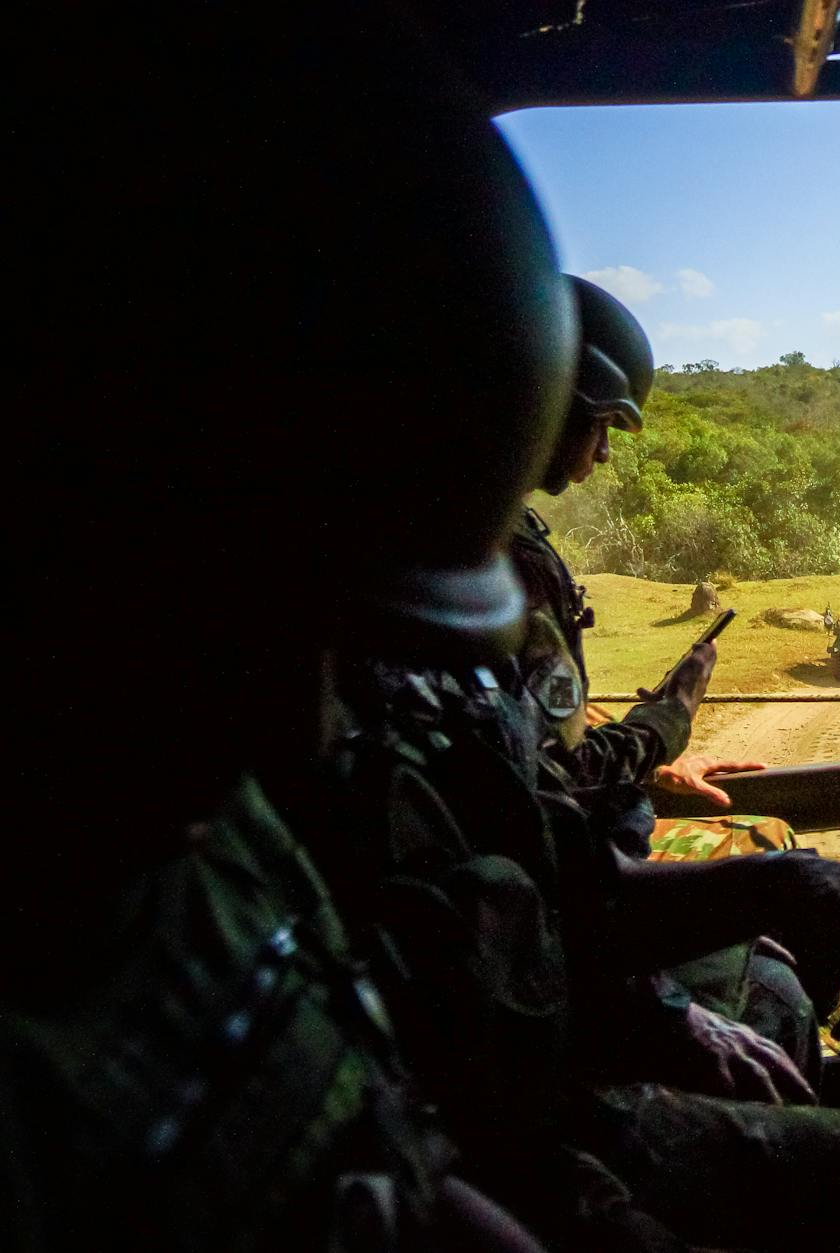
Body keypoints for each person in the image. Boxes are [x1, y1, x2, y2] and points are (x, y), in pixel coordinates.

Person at [6, 4, 622, 1248]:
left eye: (343, 647)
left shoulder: (206, 839)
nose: (306, 726)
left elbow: (376, 1135)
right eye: (214, 630)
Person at [505, 274, 840, 1148]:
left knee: (773, 844)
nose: (603, 452)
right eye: (599, 424)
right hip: (569, 885)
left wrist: (657, 756)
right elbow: (546, 774)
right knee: (774, 860)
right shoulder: (493, 562)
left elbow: (535, 735)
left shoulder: (494, 545)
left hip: (575, 864)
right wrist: (668, 720)